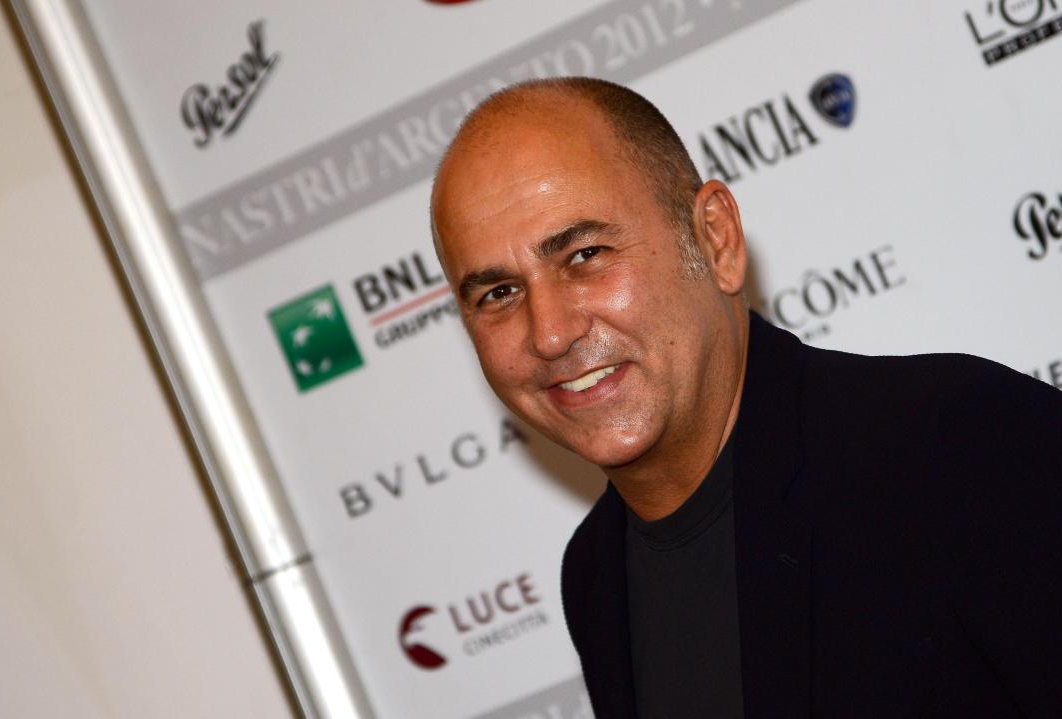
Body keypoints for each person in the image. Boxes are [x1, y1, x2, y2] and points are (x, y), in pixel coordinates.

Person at [429, 77, 1062, 718]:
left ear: (716, 239)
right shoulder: (595, 574)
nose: (550, 332)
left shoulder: (957, 443)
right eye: (498, 294)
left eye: (585, 254)